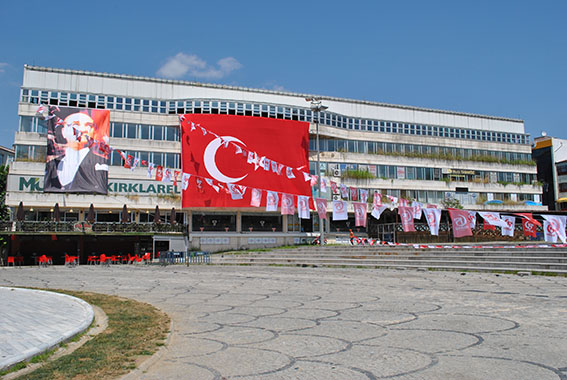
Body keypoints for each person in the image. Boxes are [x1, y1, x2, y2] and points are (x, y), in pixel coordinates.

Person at [44, 109, 109, 194]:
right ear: (63, 132)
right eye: (75, 125)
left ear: (94, 132)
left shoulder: (100, 164)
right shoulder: (52, 164)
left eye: (89, 126)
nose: (82, 129)